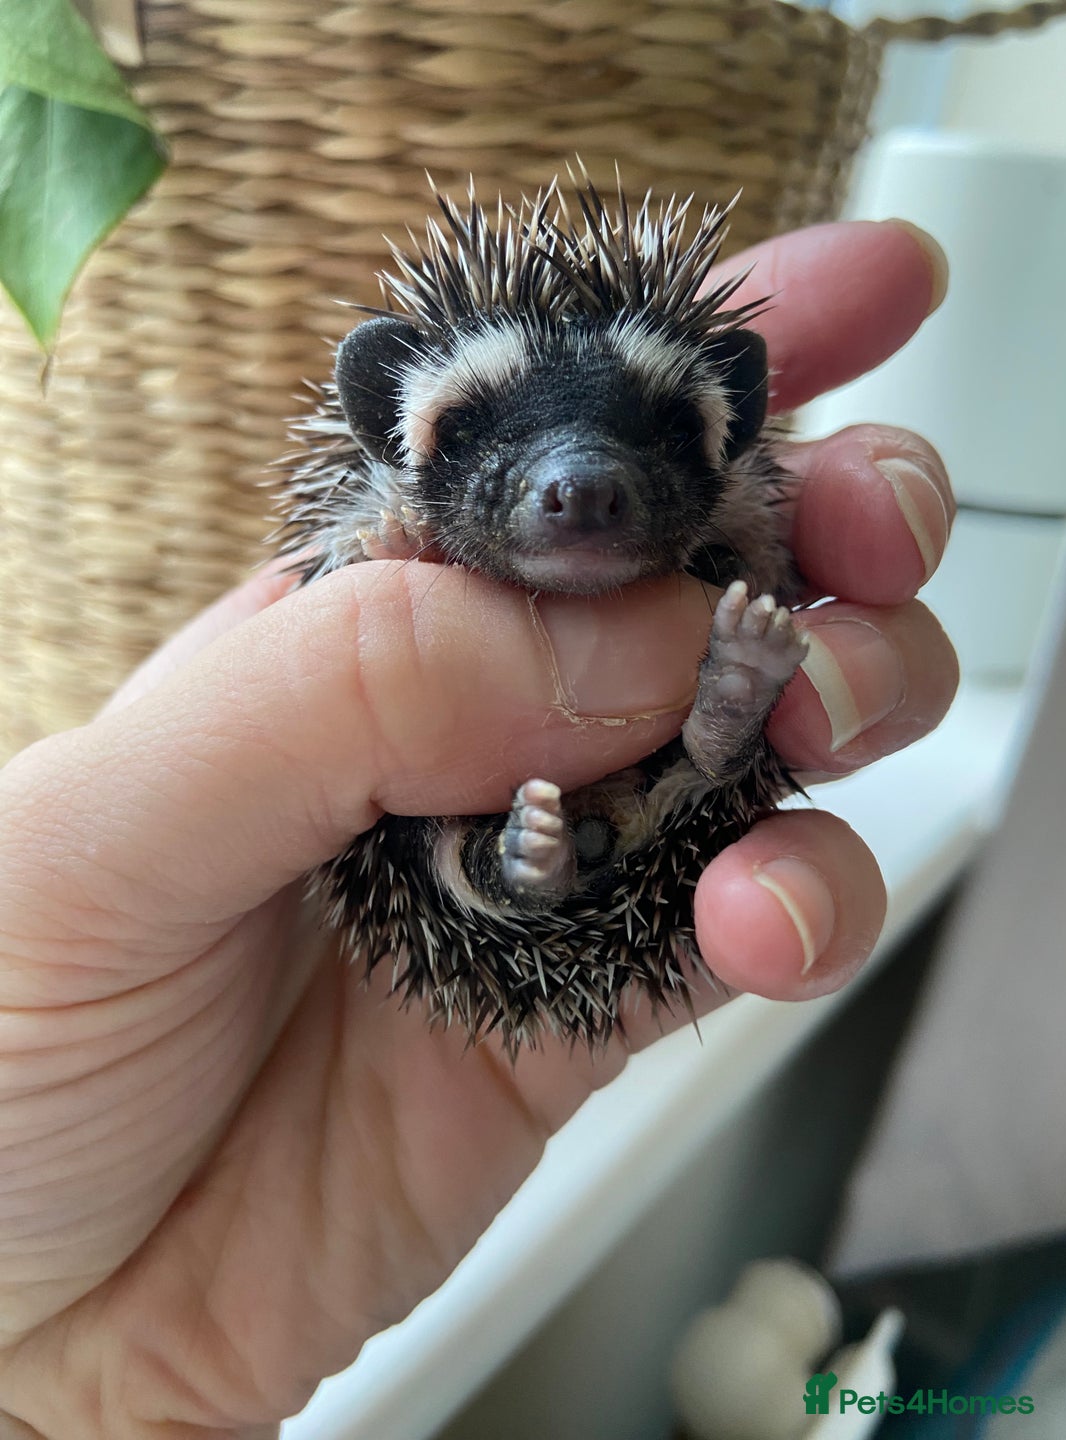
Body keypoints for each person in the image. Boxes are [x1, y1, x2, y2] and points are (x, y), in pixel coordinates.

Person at [0, 218, 957, 1440]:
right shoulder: (376, 545)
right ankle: (522, 852)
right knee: (475, 815)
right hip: (451, 854)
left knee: (715, 771)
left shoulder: (730, 529)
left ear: (726, 430)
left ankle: (609, 812)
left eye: (655, 431)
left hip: (621, 814)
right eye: (485, 431)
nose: (581, 483)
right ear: (393, 431)